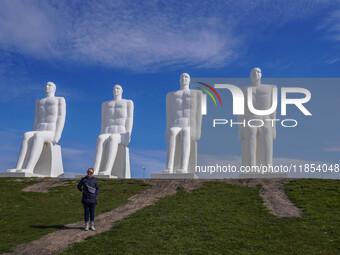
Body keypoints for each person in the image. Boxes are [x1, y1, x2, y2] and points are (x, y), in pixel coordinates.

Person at [8, 82, 66, 173]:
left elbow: (61, 117)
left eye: (50, 85)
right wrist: (33, 130)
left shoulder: (59, 99)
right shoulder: (39, 101)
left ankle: (30, 168)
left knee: (38, 136)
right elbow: (36, 117)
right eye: (46, 85)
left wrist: (58, 135)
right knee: (26, 135)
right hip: (39, 128)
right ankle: (18, 167)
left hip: (51, 131)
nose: (47, 87)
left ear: (54, 88)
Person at [238, 67, 277, 167]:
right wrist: (240, 129)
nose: (256, 74)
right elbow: (240, 111)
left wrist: (274, 127)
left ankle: (268, 166)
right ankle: (251, 167)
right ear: (250, 76)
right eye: (254, 72)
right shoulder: (243, 90)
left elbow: (273, 109)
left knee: (267, 138)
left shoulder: (270, 88)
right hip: (251, 119)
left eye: (259, 72)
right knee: (250, 136)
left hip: (265, 118)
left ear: (261, 74)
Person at [164, 73, 203, 173]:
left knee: (186, 131)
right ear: (179, 80)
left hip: (189, 125)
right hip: (175, 124)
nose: (184, 79)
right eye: (182, 77)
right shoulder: (170, 95)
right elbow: (168, 114)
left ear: (189, 79)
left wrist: (198, 131)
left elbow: (199, 113)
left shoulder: (197, 93)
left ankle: (184, 167)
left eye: (186, 77)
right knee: (172, 132)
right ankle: (169, 167)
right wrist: (167, 130)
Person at [93, 84, 134, 176]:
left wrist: (128, 135)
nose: (116, 90)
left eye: (118, 88)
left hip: (122, 133)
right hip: (107, 132)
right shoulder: (105, 104)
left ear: (122, 91)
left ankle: (108, 170)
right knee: (100, 138)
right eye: (114, 89)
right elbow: (103, 121)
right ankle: (95, 169)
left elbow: (129, 119)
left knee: (113, 138)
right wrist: (102, 132)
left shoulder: (128, 102)